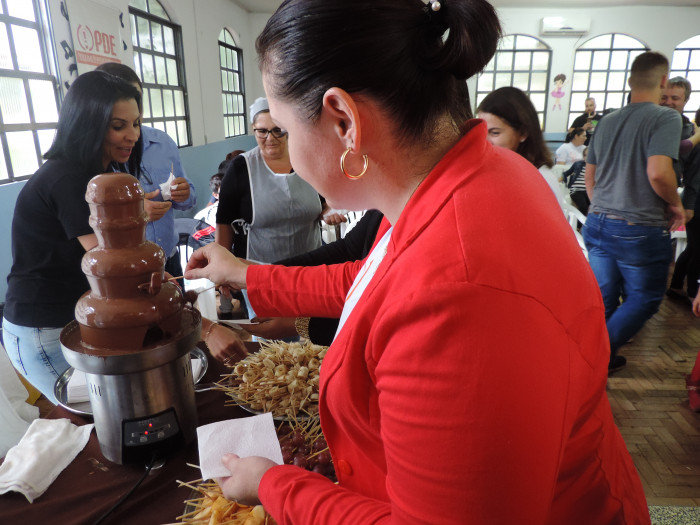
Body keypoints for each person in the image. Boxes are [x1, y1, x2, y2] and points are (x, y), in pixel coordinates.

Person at [185, 1, 650, 523]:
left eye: (287, 131)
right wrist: (245, 274)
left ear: (343, 121)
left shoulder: (461, 296)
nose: (285, 151)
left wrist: (274, 484)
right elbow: (373, 281)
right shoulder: (465, 176)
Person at [2, 71, 142, 403]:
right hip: (43, 328)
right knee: (93, 412)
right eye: (118, 126)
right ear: (87, 123)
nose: (133, 135)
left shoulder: (101, 173)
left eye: (136, 123)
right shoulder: (69, 178)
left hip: (75, 316)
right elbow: (113, 264)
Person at [583, 51, 685, 373]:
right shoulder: (666, 118)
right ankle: (594, 358)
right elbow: (658, 173)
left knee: (604, 298)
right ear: (663, 80)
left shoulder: (607, 120)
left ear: (629, 81)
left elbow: (590, 177)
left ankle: (598, 360)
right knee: (645, 298)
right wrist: (675, 203)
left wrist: (602, 207)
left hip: (598, 223)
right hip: (637, 228)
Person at [95, 62, 197, 281]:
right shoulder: (95, 158)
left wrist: (185, 193)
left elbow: (188, 199)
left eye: (137, 98)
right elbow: (90, 225)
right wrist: (133, 214)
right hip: (125, 271)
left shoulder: (163, 143)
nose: (135, 106)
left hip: (169, 259)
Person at [476, 86, 569, 213]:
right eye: (481, 132)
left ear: (523, 133)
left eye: (495, 133)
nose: (485, 141)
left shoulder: (541, 180)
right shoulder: (497, 172)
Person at [669, 105, 700, 302]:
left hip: (693, 200)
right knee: (697, 249)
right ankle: (691, 292)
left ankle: (677, 285)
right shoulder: (696, 142)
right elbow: (694, 178)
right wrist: (689, 206)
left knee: (693, 248)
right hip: (695, 202)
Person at [563, 147, 591, 215]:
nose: (587, 157)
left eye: (590, 155)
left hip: (588, 191)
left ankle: (583, 221)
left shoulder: (596, 167)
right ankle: (581, 221)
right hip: (576, 190)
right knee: (583, 206)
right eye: (585, 155)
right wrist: (561, 180)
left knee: (592, 207)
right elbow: (566, 173)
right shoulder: (578, 164)